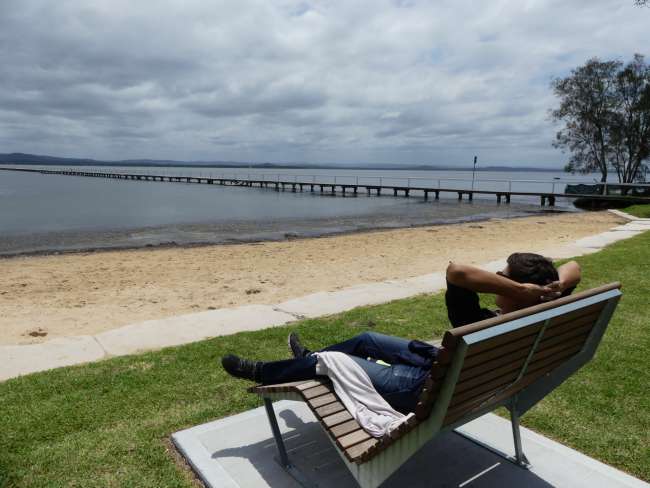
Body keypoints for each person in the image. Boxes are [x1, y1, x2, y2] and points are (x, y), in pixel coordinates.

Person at [222, 253, 581, 414]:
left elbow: (456, 271)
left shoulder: (480, 323)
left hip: (420, 389)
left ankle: (263, 371)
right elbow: (574, 268)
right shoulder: (541, 318)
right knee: (365, 339)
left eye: (502, 276)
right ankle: (304, 360)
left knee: (333, 362)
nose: (496, 277)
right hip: (448, 376)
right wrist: (547, 290)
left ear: (518, 289)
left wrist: (518, 289)